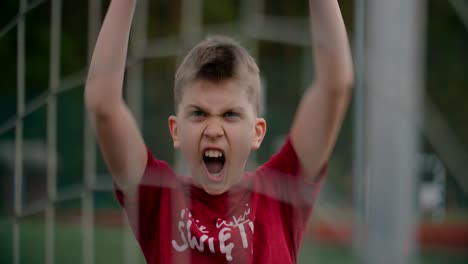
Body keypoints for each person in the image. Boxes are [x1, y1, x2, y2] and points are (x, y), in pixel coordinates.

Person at [84, 0, 353, 263]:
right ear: (175, 130)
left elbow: (335, 87)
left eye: (230, 115)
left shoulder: (280, 190)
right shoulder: (157, 197)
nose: (214, 130)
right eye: (199, 113)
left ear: (257, 132)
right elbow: (103, 105)